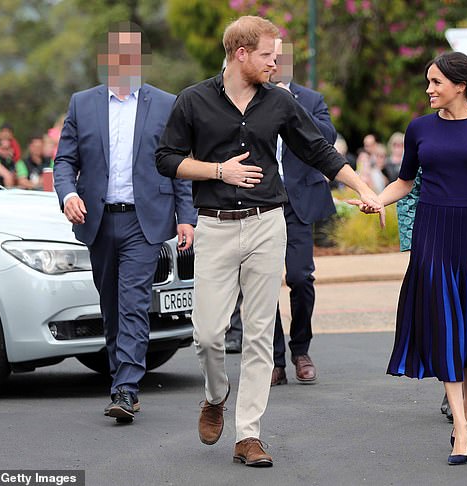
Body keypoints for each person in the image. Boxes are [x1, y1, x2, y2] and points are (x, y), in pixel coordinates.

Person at [155, 15, 381, 467]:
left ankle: (249, 435)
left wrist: (364, 189)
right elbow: (166, 159)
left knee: (259, 336)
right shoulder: (193, 100)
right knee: (207, 335)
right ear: (241, 54)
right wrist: (220, 171)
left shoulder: (278, 102)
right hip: (215, 226)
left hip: (266, 223)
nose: (275, 62)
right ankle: (215, 395)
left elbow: (319, 150)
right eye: (266, 55)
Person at [351, 51, 467, 465]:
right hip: (434, 235)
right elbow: (405, 182)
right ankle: (461, 427)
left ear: (459, 86)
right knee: (445, 321)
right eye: (428, 82)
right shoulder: (418, 129)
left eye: (436, 83)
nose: (428, 90)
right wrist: (377, 200)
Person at [54, 22, 196, 424]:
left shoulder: (165, 104)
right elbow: (64, 161)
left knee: (133, 302)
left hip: (143, 221)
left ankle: (126, 389)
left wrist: (186, 218)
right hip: (98, 221)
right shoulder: (83, 104)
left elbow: (176, 165)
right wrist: (69, 195)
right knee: (111, 305)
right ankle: (121, 378)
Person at [269, 37, 338, 386]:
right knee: (263, 286)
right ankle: (275, 360)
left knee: (299, 278)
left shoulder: (310, 100)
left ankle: (300, 350)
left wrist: (290, 102)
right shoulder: (252, 98)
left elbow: (326, 137)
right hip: (262, 203)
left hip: (298, 206)